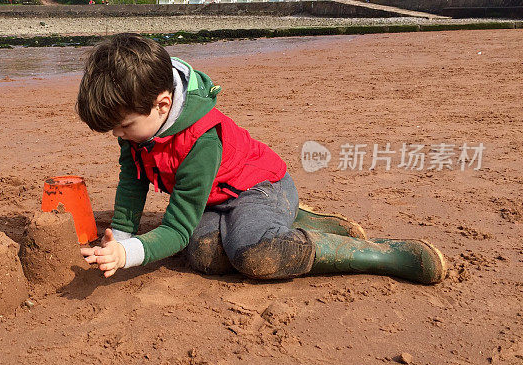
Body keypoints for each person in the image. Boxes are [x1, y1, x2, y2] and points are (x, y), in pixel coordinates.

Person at [76, 33, 447, 284]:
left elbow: (174, 229)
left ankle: (379, 255)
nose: (118, 137)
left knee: (254, 254)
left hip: (261, 187)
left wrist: (128, 254)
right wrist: (120, 236)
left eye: (123, 127)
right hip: (215, 199)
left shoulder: (201, 141)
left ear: (163, 104)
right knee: (205, 256)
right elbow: (133, 179)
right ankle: (298, 220)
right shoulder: (141, 127)